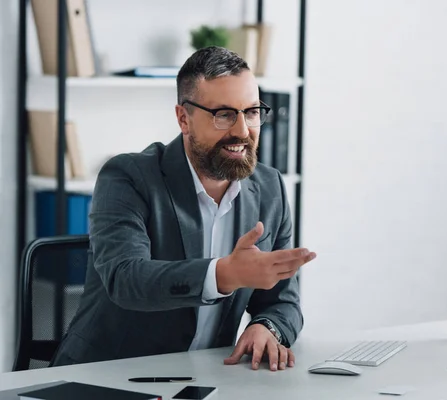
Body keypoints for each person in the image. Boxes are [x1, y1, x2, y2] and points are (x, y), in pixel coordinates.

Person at [50, 46, 316, 372]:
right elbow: (126, 278)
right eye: (224, 114)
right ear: (183, 119)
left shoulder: (269, 188)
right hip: (108, 378)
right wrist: (223, 274)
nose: (243, 131)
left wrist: (267, 327)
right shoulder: (128, 177)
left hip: (202, 379)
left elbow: (283, 301)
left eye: (251, 112)